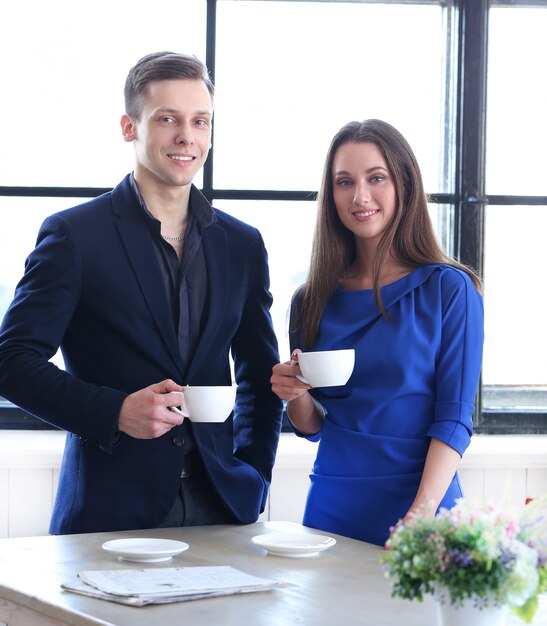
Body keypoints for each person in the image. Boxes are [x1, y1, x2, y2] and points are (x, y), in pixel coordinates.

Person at [0, 51, 282, 534]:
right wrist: (115, 411)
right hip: (109, 511)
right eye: (167, 119)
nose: (186, 137)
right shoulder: (75, 236)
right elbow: (11, 361)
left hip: (223, 505)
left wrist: (254, 473)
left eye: (200, 121)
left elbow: (260, 372)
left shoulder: (242, 244)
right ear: (130, 127)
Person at [271, 119, 484, 546]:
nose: (360, 196)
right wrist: (294, 393)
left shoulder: (449, 289)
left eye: (376, 178)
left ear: (403, 183)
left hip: (424, 509)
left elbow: (455, 418)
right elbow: (312, 426)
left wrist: (419, 517)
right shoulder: (310, 299)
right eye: (344, 182)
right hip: (333, 502)